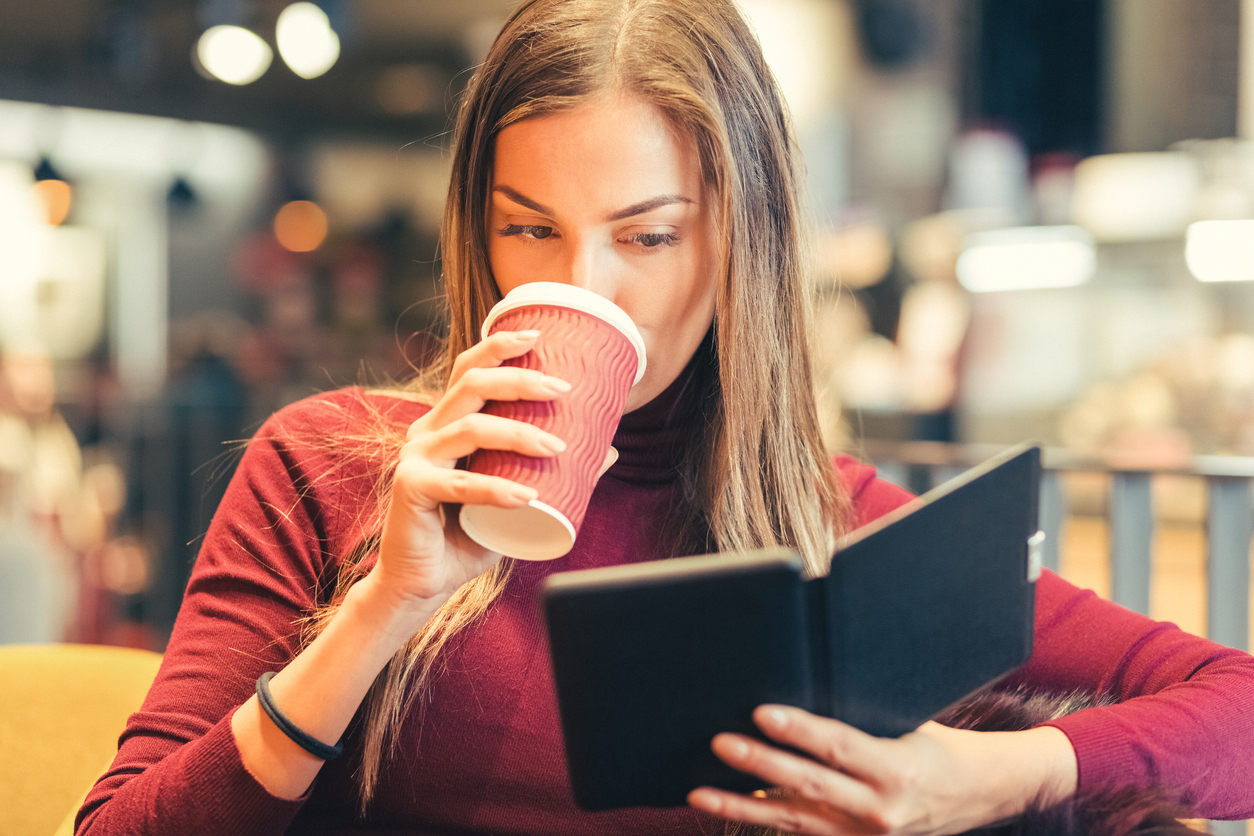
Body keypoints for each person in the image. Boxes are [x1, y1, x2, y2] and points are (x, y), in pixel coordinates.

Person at [77, 1, 1254, 834]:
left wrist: (990, 774)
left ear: (741, 239)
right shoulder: (328, 465)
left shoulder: (831, 522)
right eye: (530, 228)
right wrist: (386, 602)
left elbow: (1236, 704)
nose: (586, 286)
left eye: (646, 234)